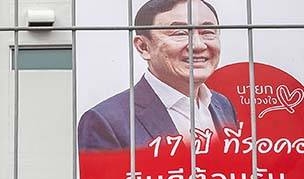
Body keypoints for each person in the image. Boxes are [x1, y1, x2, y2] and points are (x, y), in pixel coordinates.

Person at [77, 0, 237, 152]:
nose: (198, 45)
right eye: (180, 33)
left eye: (208, 32)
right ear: (143, 47)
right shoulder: (106, 121)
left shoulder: (222, 105)